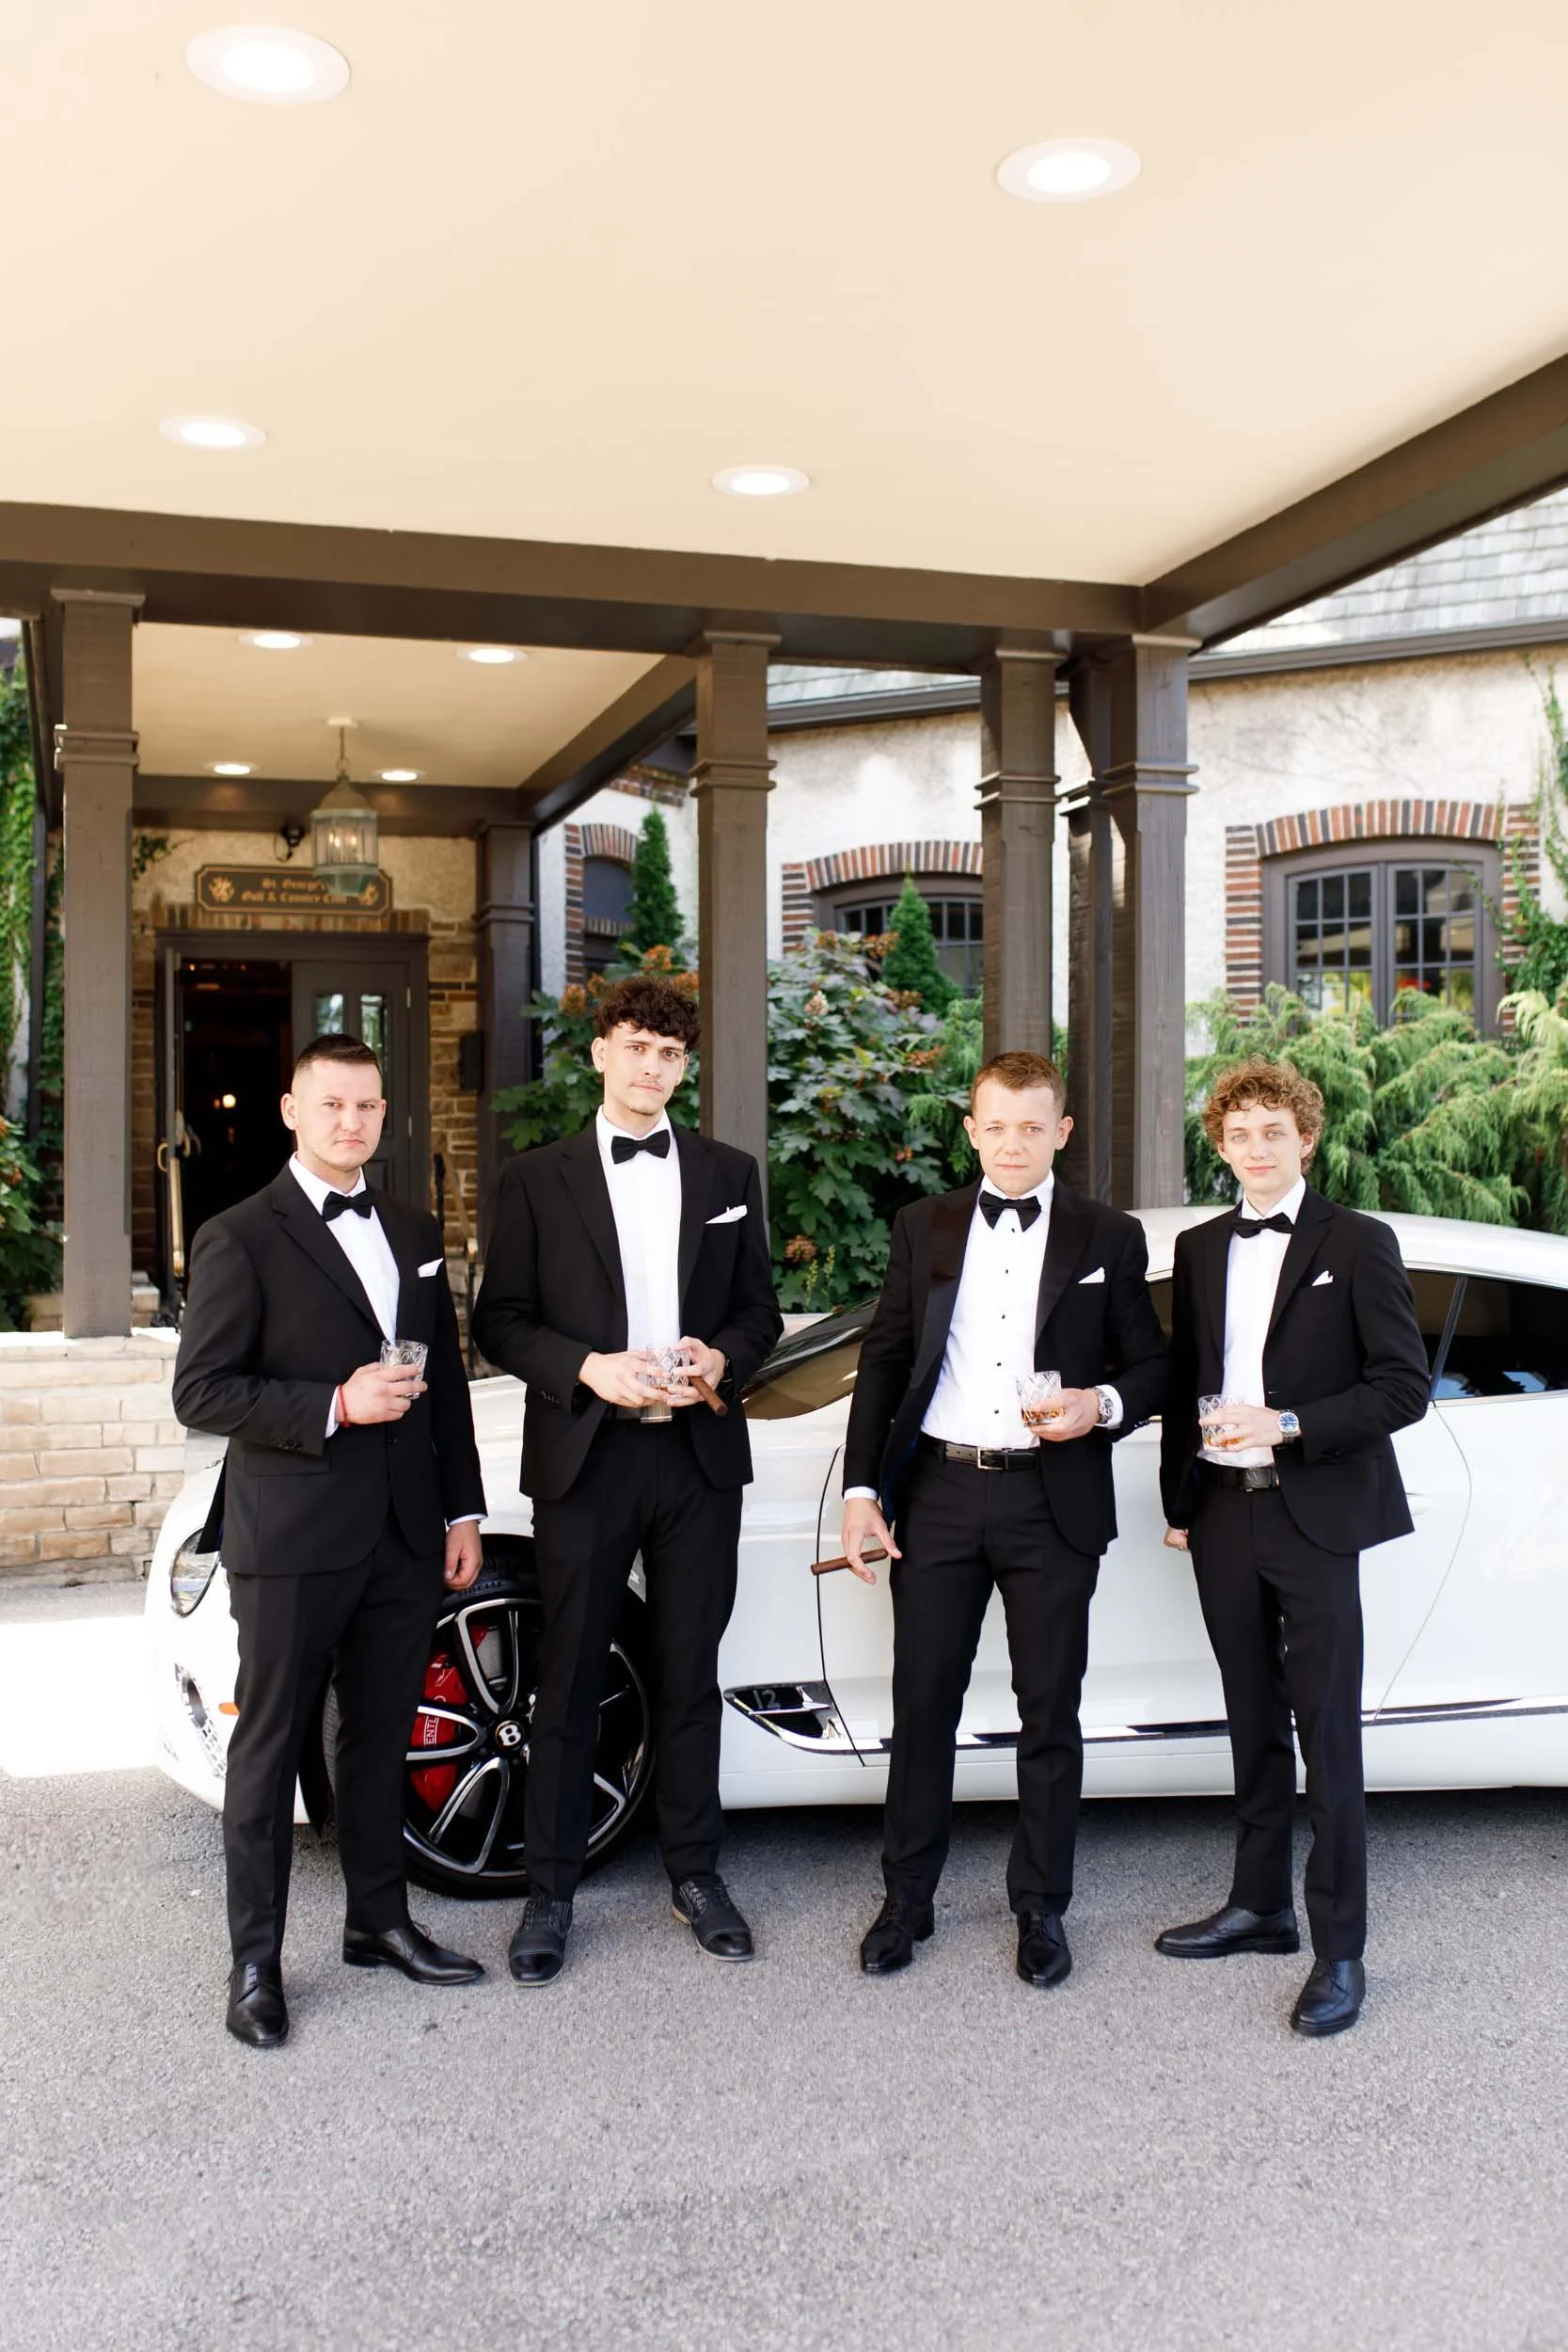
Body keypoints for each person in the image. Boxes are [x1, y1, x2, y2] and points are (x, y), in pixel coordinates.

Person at [173, 1034, 488, 2050]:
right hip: (294, 1536)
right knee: (267, 1753)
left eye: (366, 1107)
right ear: (290, 1111)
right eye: (331, 1105)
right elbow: (203, 1391)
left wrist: (462, 1511)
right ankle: (256, 1962)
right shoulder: (238, 1233)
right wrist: (337, 1404)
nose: (351, 1123)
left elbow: (445, 1383)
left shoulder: (412, 1226)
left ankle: (378, 1921)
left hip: (403, 1533)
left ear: (385, 1114)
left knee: (378, 1741)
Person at [472, 975, 783, 1986]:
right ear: (600, 1051)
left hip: (694, 1455)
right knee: (565, 1678)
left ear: (682, 1067)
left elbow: (758, 1313)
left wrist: (720, 1359)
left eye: (669, 1053)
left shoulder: (730, 1170)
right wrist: (585, 1368)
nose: (651, 1066)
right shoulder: (534, 1177)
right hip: (588, 1456)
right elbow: (499, 1319)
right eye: (635, 1046)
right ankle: (550, 1892)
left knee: (690, 1672)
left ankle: (695, 1875)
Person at [840, 1050, 1168, 1986]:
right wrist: (863, 1491)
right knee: (921, 1704)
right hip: (937, 1494)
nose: (1012, 1142)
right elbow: (885, 1358)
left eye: (1032, 1125)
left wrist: (1097, 1404)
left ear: (1060, 1131)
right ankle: (906, 1898)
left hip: (1049, 1496)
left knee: (1047, 1710)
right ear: (970, 1128)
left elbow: (1150, 1367)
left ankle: (1040, 1907)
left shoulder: (1108, 1235)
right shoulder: (923, 1223)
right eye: (996, 1124)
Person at [1158, 1056, 1430, 2037]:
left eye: (1272, 1130)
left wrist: (1286, 1423)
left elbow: (1400, 1386)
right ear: (1219, 1144)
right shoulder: (1195, 1248)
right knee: (1248, 1720)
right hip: (1223, 1513)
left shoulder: (1356, 1241)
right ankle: (1258, 1904)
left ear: (1303, 1137)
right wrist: (1179, 1498)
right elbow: (1183, 1380)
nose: (1255, 1148)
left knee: (1329, 1733)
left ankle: (1339, 1951)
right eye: (1237, 1133)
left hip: (1313, 1511)